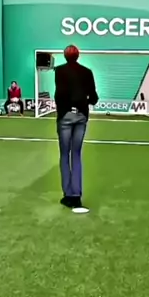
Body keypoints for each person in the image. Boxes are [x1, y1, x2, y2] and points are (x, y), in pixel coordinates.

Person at [54, 44, 98, 212]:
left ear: (65, 56)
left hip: (65, 117)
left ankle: (68, 195)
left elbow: (59, 94)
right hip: (81, 116)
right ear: (78, 56)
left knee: (65, 155)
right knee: (77, 154)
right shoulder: (87, 72)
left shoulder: (59, 71)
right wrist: (83, 102)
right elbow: (94, 97)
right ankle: (76, 195)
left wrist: (65, 109)